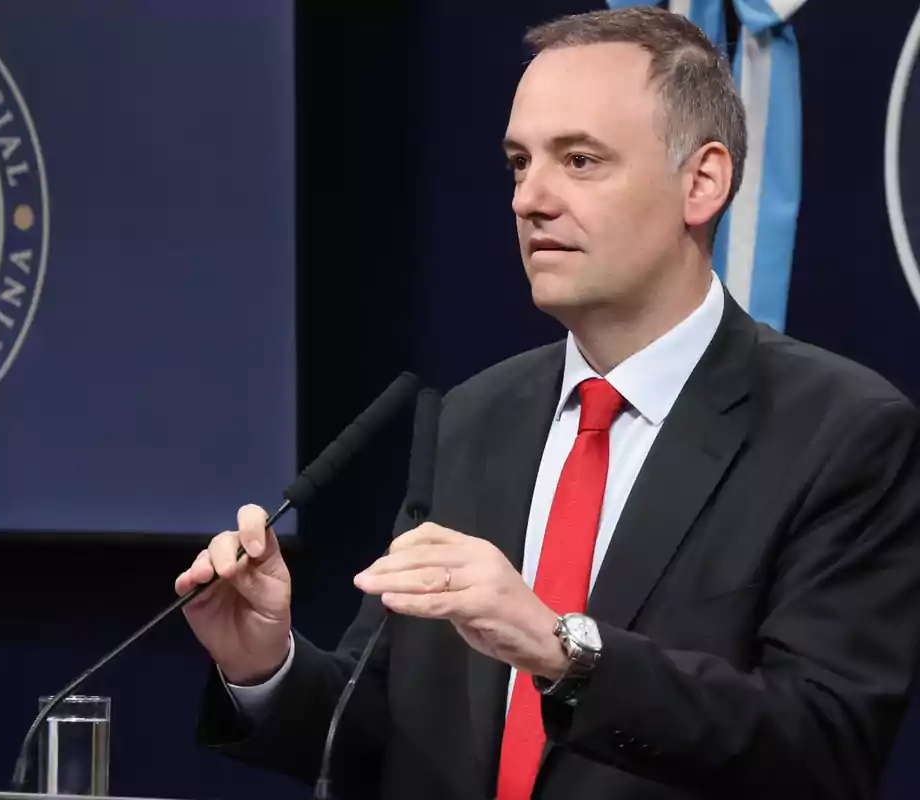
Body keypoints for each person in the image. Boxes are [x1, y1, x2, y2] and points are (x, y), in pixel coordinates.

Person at [174, 7, 920, 799]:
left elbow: (821, 749)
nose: (530, 199)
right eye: (518, 162)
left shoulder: (839, 432)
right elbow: (385, 729)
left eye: (580, 160)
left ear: (702, 182)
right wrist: (264, 662)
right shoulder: (475, 418)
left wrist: (564, 652)